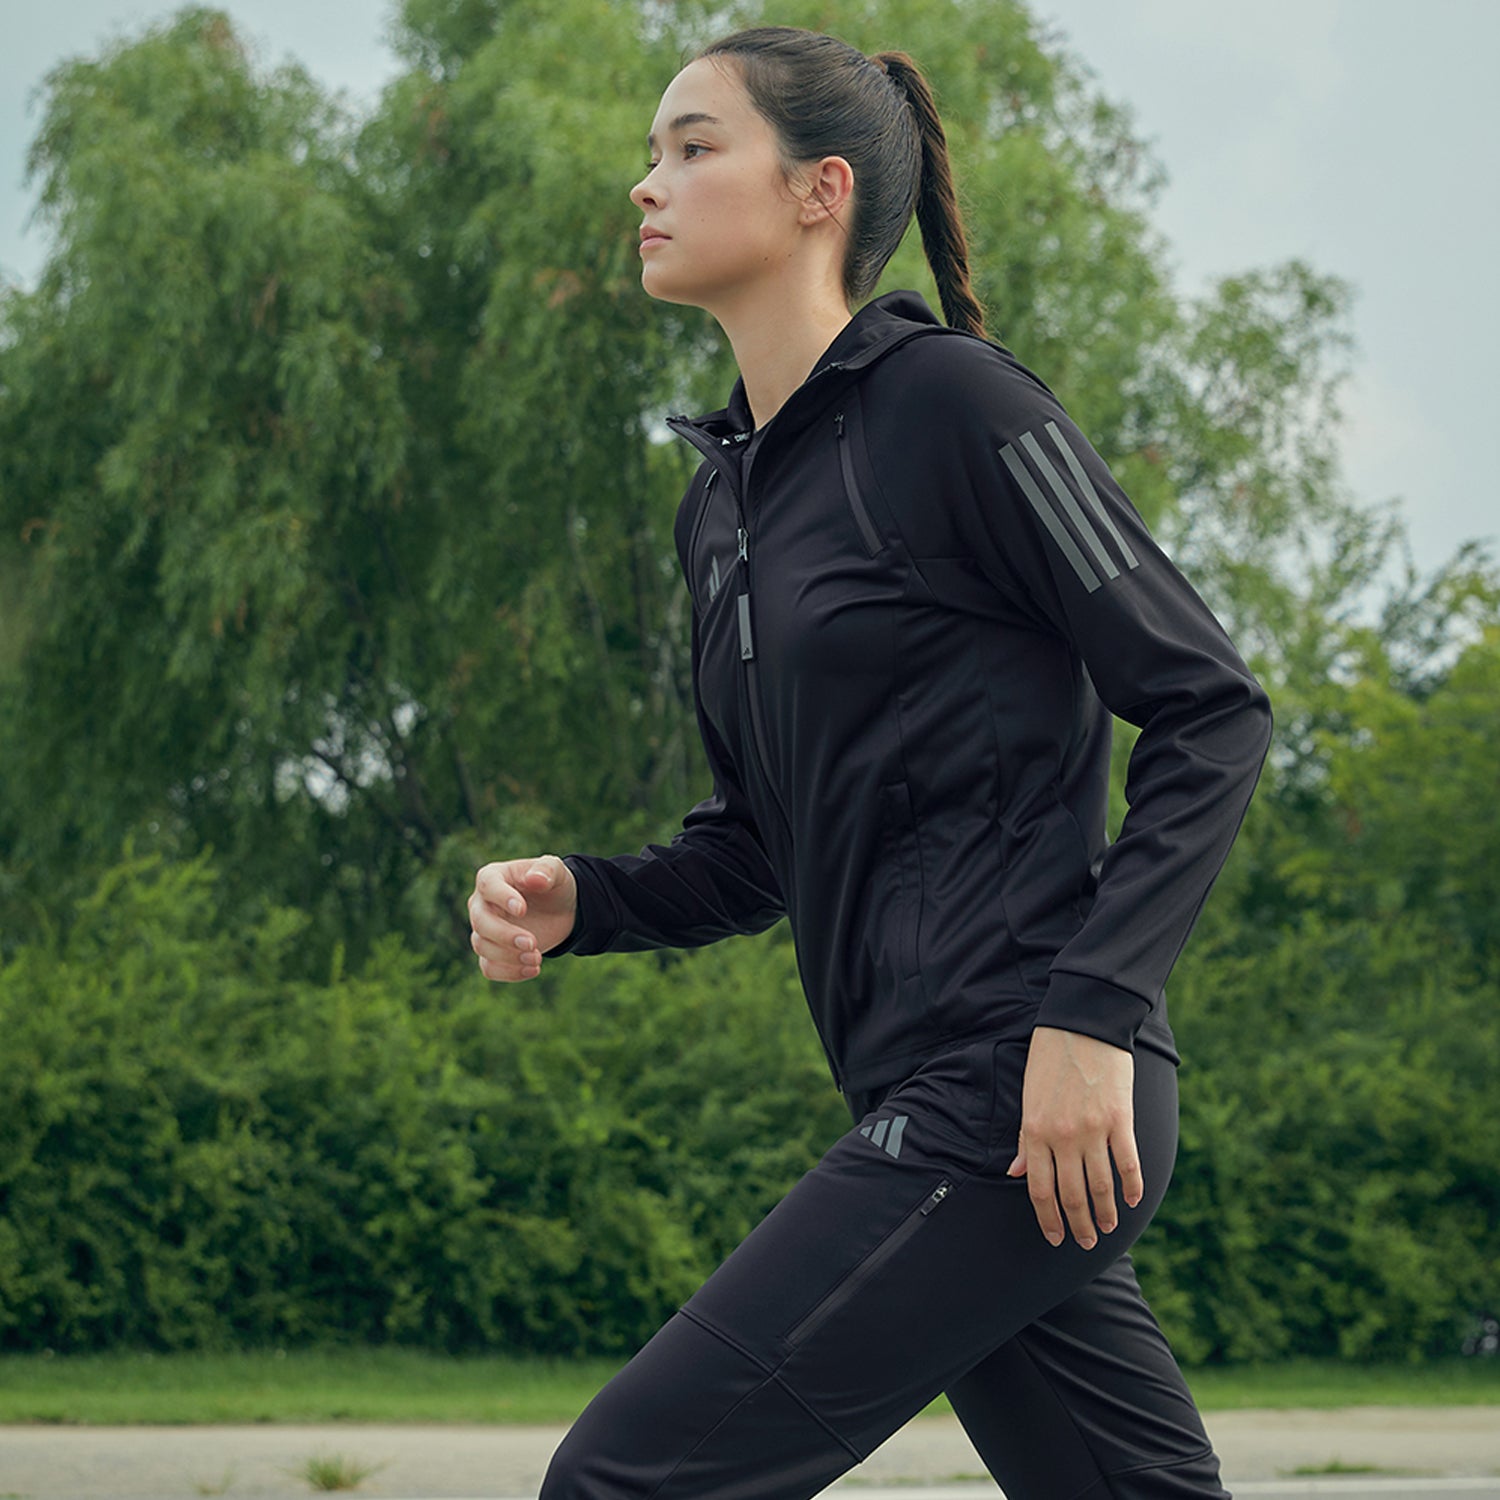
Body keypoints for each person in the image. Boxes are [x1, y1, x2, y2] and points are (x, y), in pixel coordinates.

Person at [467, 25, 1272, 1500]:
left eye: (694, 147)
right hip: (946, 1104)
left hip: (1022, 1081)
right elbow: (768, 846)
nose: (647, 183)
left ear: (819, 189)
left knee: (626, 1482)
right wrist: (589, 896)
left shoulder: (965, 409)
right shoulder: (722, 514)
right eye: (655, 151)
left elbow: (1212, 706)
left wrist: (1090, 1020)